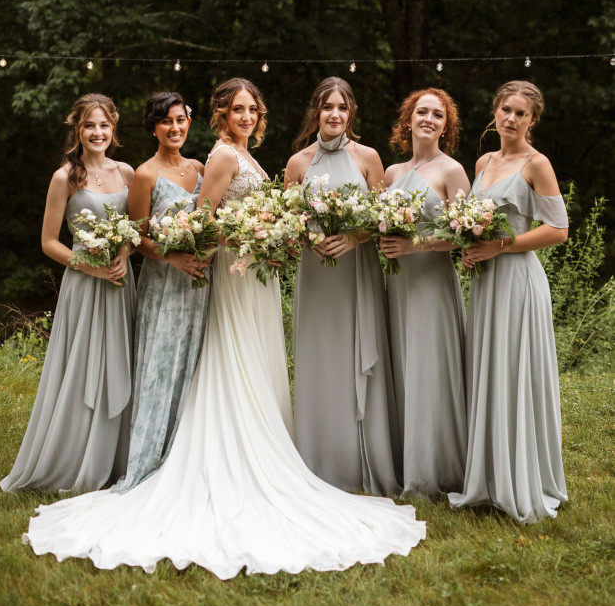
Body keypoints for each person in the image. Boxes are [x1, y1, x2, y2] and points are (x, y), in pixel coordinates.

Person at [23, 78, 425, 578]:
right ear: (220, 115)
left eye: (252, 109)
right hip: (236, 274)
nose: (247, 116)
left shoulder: (243, 155)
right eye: (238, 109)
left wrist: (272, 236)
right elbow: (202, 218)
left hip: (255, 273)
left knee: (256, 362)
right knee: (234, 363)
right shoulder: (221, 157)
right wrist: (237, 243)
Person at [0, 94, 135, 494]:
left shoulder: (126, 171)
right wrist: (92, 266)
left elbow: (136, 226)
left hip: (122, 282)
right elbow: (49, 242)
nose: (98, 133)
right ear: (77, 129)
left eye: (104, 125)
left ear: (114, 129)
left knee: (119, 362)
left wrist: (124, 253)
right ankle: (74, 456)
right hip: (85, 282)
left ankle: (117, 458)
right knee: (81, 366)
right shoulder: (65, 178)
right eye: (90, 125)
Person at [449, 81, 569, 522]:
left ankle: (522, 477)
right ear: (494, 112)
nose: (511, 118)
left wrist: (499, 247)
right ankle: (489, 474)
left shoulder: (537, 164)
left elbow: (558, 229)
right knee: (489, 368)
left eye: (521, 113)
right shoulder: (483, 162)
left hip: (518, 281)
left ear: (531, 120)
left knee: (516, 370)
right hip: (484, 282)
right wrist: (466, 244)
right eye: (506, 109)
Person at [285, 77, 400, 496]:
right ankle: (319, 462)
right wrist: (312, 240)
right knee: (321, 356)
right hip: (317, 275)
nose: (335, 114)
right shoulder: (298, 163)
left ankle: (362, 461)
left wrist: (353, 238)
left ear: (351, 113)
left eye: (343, 107)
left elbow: (383, 217)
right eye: (328, 106)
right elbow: (289, 223)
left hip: (357, 270)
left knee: (355, 356)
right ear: (316, 111)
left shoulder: (368, 157)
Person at [113, 92, 209, 492]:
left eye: (182, 120)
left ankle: (190, 457)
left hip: (202, 285)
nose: (176, 128)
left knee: (197, 366)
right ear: (153, 127)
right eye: (167, 121)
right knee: (161, 365)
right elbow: (136, 238)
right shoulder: (145, 174)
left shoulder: (201, 167)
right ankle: (150, 459)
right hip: (165, 284)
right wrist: (174, 259)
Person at [381, 88, 470, 497]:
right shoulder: (392, 173)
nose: (429, 119)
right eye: (422, 112)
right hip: (398, 284)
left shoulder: (452, 171)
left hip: (433, 282)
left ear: (445, 125)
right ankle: (405, 462)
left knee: (430, 368)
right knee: (403, 367)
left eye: (438, 114)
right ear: (408, 119)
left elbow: (466, 236)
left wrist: (415, 245)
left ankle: (437, 469)